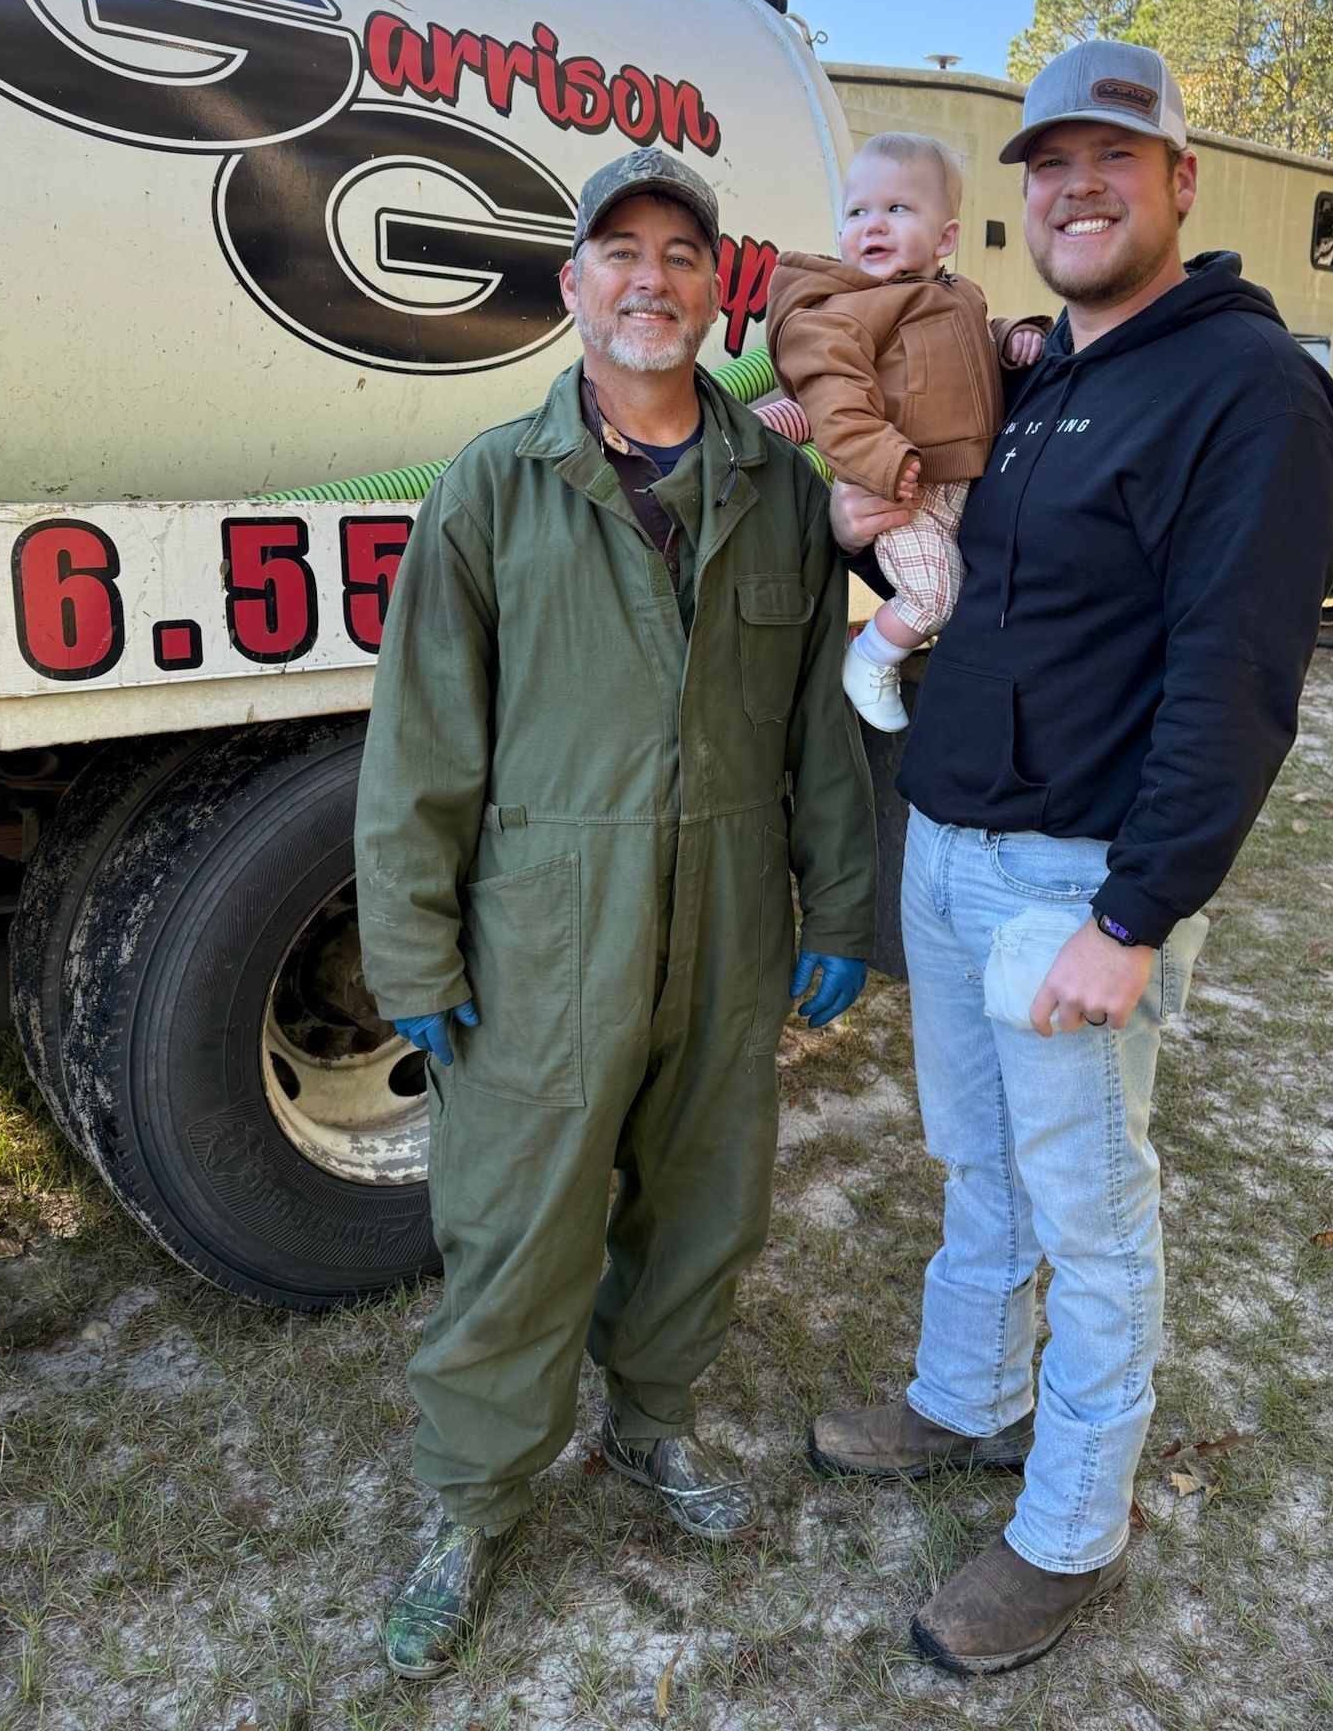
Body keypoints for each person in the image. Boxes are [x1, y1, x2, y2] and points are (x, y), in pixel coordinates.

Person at [810, 43, 1333, 1676]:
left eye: (1114, 157)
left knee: (1095, 1216)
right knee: (978, 1167)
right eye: (1050, 163)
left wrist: (1134, 915)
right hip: (951, 843)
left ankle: (1071, 1527)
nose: (1077, 187)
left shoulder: (1251, 387)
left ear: (1181, 180)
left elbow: (1234, 675)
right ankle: (967, 1397)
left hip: (1073, 883)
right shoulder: (1037, 376)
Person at [354, 147, 876, 1680]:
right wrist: (413, 948)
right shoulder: (491, 487)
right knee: (518, 1222)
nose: (652, 278)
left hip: (729, 914)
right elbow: (420, 746)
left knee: (703, 1201)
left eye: (682, 255)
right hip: (544, 926)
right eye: (621, 252)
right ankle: (474, 1501)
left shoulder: (779, 491)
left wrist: (841, 903)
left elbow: (822, 727)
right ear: (572, 284)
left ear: (719, 293)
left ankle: (650, 1426)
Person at [765, 132, 1048, 733]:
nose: (873, 224)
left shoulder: (958, 294)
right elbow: (835, 400)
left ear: (945, 239)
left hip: (962, 485)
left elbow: (972, 347)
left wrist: (1010, 338)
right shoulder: (843, 312)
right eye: (857, 212)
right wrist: (883, 461)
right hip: (905, 487)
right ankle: (869, 659)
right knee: (936, 594)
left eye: (896, 208)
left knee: (972, 587)